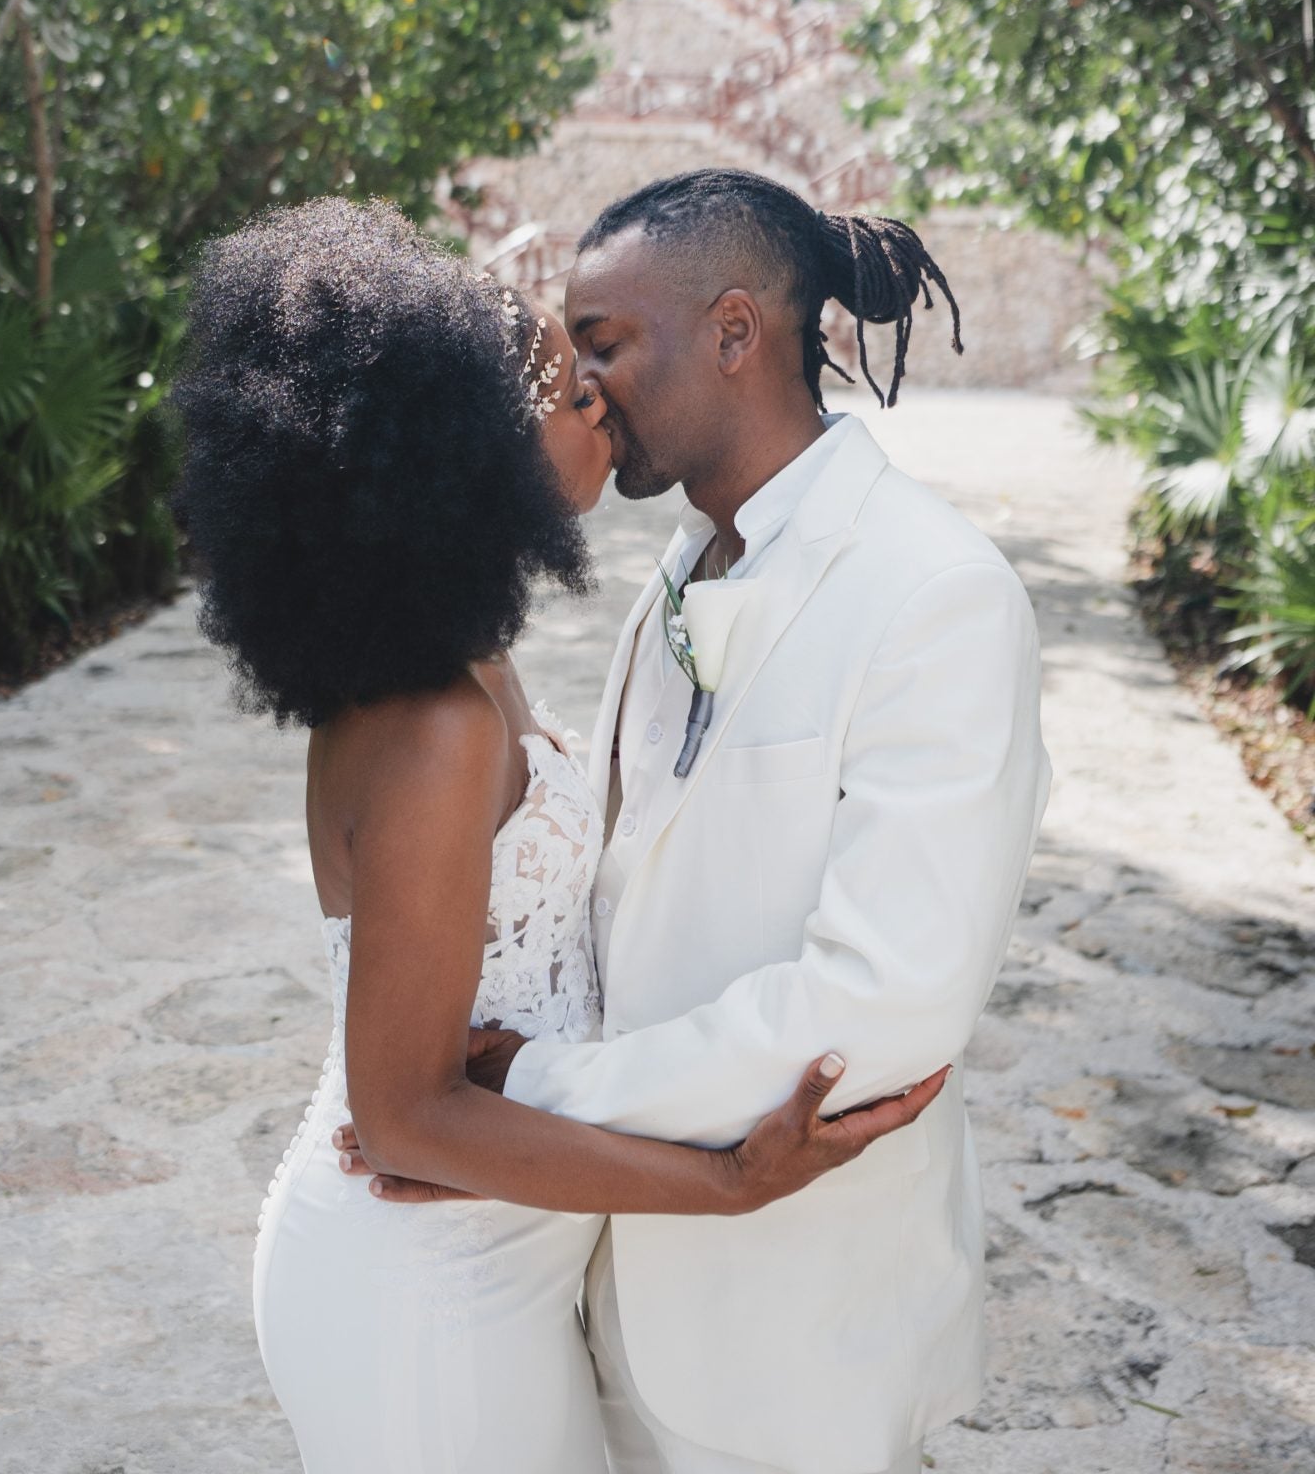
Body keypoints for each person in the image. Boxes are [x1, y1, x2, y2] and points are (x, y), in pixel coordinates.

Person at [172, 196, 944, 1474]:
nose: (597, 401)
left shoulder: (469, 663)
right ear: (452, 459)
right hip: (419, 1287)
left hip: (503, 1263)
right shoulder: (428, 728)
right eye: (562, 392)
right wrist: (726, 1183)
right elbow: (406, 1117)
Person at [337, 169, 1051, 1474]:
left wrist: (527, 1092)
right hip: (610, 1282)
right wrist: (477, 1137)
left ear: (735, 333)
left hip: (799, 1320)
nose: (588, 381)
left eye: (606, 340)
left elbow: (881, 1003)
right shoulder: (675, 572)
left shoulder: (936, 593)